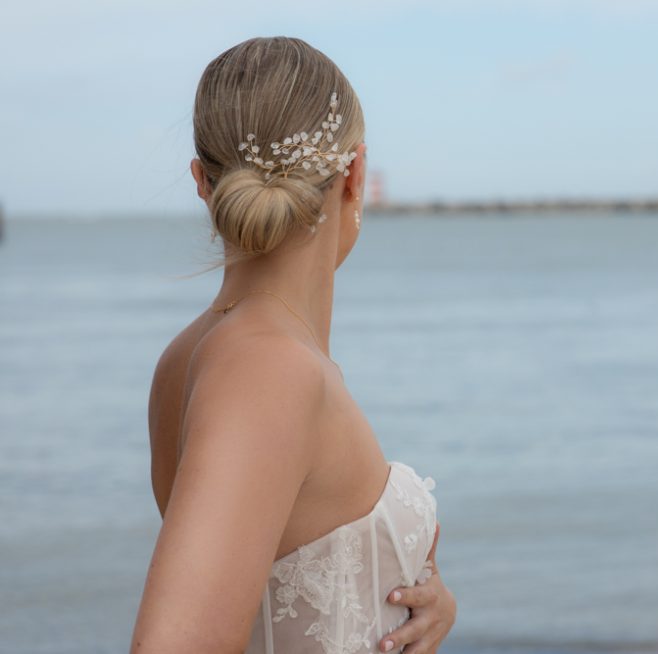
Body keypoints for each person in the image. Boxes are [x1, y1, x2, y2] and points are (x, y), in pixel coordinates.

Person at [130, 36, 456, 654]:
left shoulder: (203, 356)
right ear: (356, 174)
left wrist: (416, 607)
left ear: (202, 181)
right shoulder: (267, 369)